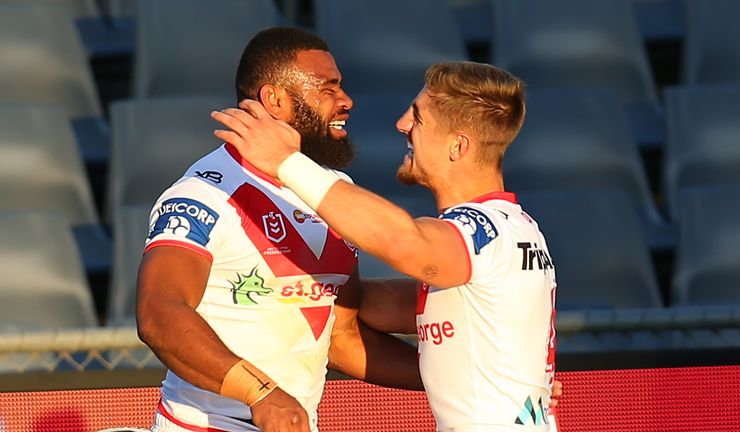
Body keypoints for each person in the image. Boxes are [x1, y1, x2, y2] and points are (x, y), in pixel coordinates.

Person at [212, 61, 560, 431]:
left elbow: (403, 242)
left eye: (418, 118)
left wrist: (286, 162)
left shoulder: (483, 231)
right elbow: (371, 306)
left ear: (457, 146)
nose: (402, 124)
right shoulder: (514, 228)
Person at [135, 27, 423, 432]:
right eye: (329, 88)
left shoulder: (335, 191)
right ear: (275, 100)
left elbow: (340, 336)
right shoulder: (203, 193)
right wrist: (261, 393)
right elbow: (158, 313)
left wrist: (452, 380)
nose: (346, 101)